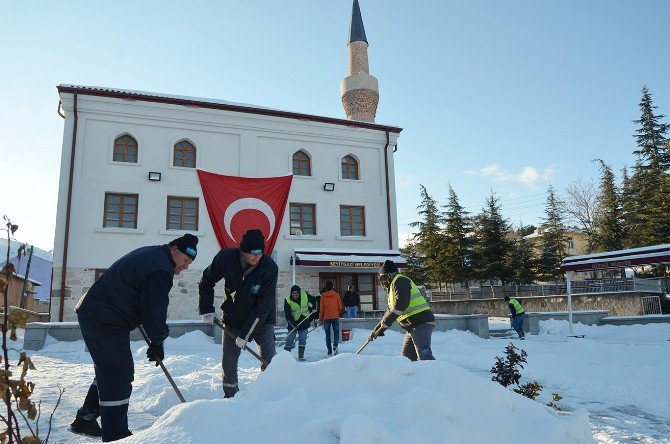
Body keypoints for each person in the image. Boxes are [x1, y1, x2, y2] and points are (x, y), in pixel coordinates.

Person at [70, 234, 198, 442]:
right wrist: (157, 341)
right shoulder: (160, 269)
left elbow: (140, 295)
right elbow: (155, 310)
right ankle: (116, 435)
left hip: (99, 313)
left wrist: (156, 339)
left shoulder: (154, 254)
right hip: (105, 318)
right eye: (185, 260)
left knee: (110, 369)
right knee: (118, 374)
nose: (186, 267)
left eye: (190, 263)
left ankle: (86, 417)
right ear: (175, 250)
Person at [198, 229, 278, 398]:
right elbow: (207, 280)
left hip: (261, 321)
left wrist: (246, 334)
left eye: (260, 253)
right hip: (233, 319)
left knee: (270, 360)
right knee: (228, 362)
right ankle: (231, 396)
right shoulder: (226, 258)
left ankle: (269, 394)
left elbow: (263, 306)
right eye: (252, 254)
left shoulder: (269, 267)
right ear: (242, 252)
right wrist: (207, 309)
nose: (257, 258)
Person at [369, 260, 436, 361]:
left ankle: (437, 375)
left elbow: (400, 306)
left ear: (390, 275)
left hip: (421, 323)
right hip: (413, 325)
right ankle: (412, 376)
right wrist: (376, 330)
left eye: (384, 278)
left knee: (425, 356)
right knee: (407, 358)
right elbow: (389, 312)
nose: (383, 282)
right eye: (381, 279)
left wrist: (384, 327)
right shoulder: (392, 288)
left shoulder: (400, 281)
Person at [283, 284, 317, 361]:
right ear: (291, 293)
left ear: (299, 293)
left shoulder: (305, 295)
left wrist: (314, 307)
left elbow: (313, 300)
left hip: (304, 321)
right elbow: (287, 315)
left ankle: (301, 356)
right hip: (293, 322)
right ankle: (285, 358)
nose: (295, 296)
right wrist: (293, 324)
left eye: (297, 295)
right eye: (293, 295)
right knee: (290, 340)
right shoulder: (287, 300)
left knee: (303, 339)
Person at [318, 281, 342, 356]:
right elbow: (340, 307)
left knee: (327, 334)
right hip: (335, 316)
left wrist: (320, 320)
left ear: (326, 288)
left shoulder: (323, 296)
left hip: (326, 317)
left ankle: (329, 350)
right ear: (333, 287)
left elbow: (321, 310)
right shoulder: (336, 295)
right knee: (336, 332)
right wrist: (336, 312)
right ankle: (335, 346)